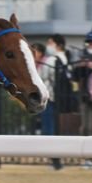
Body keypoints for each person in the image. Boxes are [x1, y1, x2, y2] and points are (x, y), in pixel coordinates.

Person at [73, 30, 92, 183]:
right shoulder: (83, 57)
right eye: (88, 43)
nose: (90, 45)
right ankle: (89, 158)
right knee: (87, 128)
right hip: (87, 97)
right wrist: (83, 66)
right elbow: (75, 75)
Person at [32, 41, 63, 170]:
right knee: (44, 127)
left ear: (41, 53)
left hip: (48, 99)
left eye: (35, 51)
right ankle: (50, 157)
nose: (33, 54)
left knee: (48, 128)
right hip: (39, 100)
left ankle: (54, 158)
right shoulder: (35, 64)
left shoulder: (47, 63)